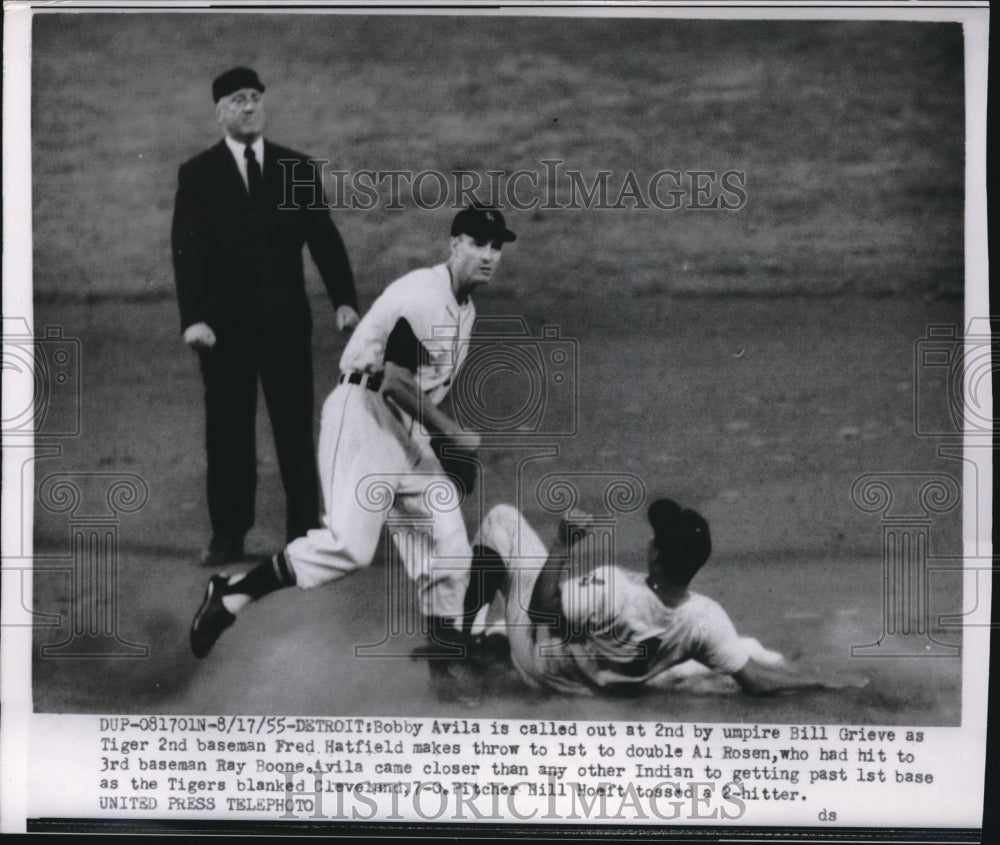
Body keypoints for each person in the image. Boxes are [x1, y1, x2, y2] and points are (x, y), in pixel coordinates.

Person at [190, 205, 517, 699]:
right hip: (362, 413)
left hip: (403, 425)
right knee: (350, 545)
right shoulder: (423, 297)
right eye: (478, 243)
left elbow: (423, 388)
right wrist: (450, 436)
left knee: (448, 541)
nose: (489, 255)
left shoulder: (464, 308)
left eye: (497, 246)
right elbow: (396, 382)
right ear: (454, 245)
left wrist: (436, 450)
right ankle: (231, 593)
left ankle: (444, 673)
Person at [172, 66, 359, 567]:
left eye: (256, 97)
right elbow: (186, 253)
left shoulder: (294, 168)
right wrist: (193, 318)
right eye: (238, 99)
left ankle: (302, 530)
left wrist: (344, 300)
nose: (250, 106)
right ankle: (229, 535)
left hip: (284, 324)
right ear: (220, 112)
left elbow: (323, 237)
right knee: (229, 432)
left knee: (294, 428)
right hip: (223, 332)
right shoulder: (199, 174)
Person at [462, 500, 867, 696]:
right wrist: (820, 681)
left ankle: (462, 641)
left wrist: (562, 544)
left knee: (501, 520)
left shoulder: (614, 589)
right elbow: (755, 682)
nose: (652, 538)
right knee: (738, 650)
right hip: (604, 686)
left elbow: (543, 609)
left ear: (656, 555)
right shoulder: (704, 618)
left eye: (657, 537)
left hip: (542, 666)